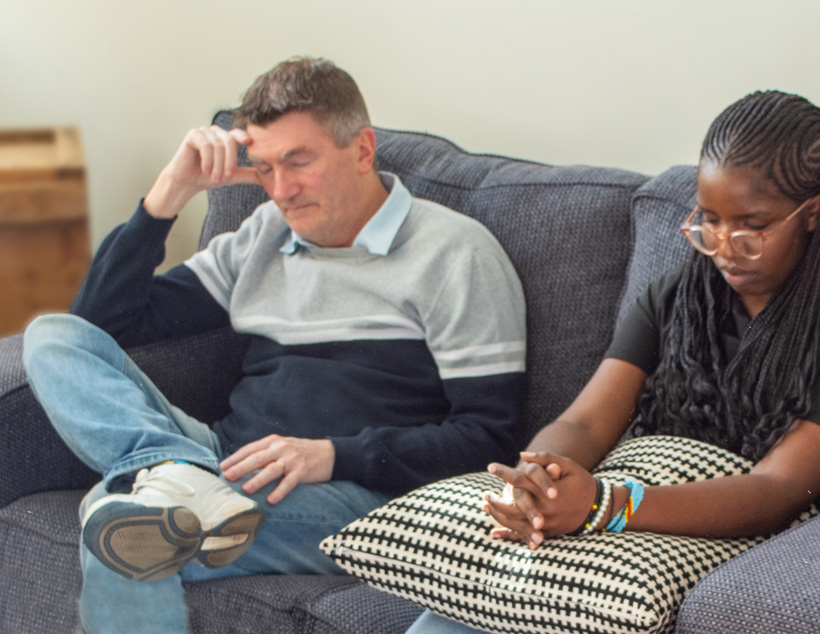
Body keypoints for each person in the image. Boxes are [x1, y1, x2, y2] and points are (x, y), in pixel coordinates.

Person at [21, 57, 527, 633]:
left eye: (298, 161)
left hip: (355, 492)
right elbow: (102, 324)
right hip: (218, 458)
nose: (281, 190)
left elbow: (490, 439)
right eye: (263, 167)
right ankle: (176, 469)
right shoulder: (263, 237)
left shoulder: (456, 255)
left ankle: (176, 494)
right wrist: (170, 192)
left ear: (362, 150)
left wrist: (332, 454)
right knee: (53, 336)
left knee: (120, 531)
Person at [406, 90, 820, 633]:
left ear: (814, 214)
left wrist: (605, 504)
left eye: (751, 228)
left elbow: (776, 493)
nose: (724, 248)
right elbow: (585, 422)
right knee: (456, 612)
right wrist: (539, 476)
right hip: (614, 521)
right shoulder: (675, 299)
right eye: (708, 221)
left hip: (689, 545)